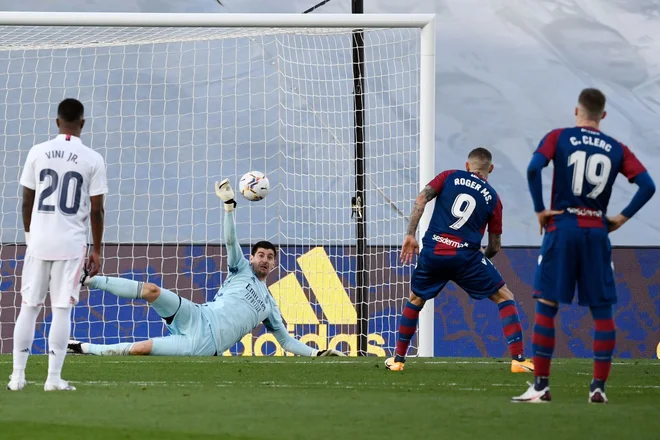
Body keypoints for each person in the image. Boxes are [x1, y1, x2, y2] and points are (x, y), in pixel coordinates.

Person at [69, 179, 345, 358]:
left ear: (274, 264)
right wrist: (229, 207)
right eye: (260, 254)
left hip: (204, 346)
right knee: (152, 290)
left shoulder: (269, 305)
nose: (264, 259)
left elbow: (286, 342)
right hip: (198, 315)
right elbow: (230, 240)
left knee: (142, 349)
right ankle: (86, 281)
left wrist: (317, 353)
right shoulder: (240, 269)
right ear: (251, 259)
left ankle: (82, 348)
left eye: (270, 256)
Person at [512, 88, 655, 403]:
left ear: (576, 112)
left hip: (562, 228)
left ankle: (541, 386)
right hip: (596, 232)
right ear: (603, 116)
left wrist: (539, 209)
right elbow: (648, 185)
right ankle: (598, 388)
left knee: (547, 306)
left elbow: (534, 168)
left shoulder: (559, 137)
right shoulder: (616, 147)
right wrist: (621, 219)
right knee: (602, 312)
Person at [386, 148, 535, 373]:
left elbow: (421, 199)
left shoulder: (448, 176)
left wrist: (410, 234)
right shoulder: (493, 197)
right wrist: (478, 264)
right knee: (505, 296)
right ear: (491, 169)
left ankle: (398, 360)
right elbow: (494, 245)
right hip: (466, 257)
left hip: (434, 251)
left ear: (467, 165)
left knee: (415, 299)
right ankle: (518, 360)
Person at [9, 98, 107, 391]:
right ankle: (53, 379)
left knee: (29, 306)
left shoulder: (37, 152)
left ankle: (17, 377)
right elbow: (97, 209)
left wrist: (29, 236)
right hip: (71, 243)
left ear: (57, 121)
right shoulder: (93, 158)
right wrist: (97, 249)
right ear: (83, 123)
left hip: (38, 241)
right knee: (61, 309)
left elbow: (26, 200)